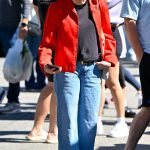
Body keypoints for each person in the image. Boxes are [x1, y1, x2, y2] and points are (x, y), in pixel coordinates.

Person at [38, 0, 118, 149]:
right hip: (67, 71)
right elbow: (46, 44)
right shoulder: (57, 7)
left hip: (93, 70)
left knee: (89, 122)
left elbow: (108, 35)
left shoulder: (99, 4)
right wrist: (46, 63)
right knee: (68, 122)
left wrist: (108, 59)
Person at [26, 0, 58, 144]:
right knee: (57, 86)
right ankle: (52, 131)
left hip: (47, 37)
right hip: (59, 41)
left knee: (51, 85)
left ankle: (37, 129)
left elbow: (35, 5)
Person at [97, 0, 130, 137]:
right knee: (98, 82)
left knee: (113, 82)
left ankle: (121, 121)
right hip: (93, 32)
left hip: (111, 31)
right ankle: (97, 120)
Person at [121, 0, 150, 149]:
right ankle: (129, 147)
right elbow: (129, 22)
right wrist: (141, 57)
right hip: (148, 55)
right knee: (148, 108)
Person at [0, 0, 31, 114]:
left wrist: (24, 22)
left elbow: (26, 2)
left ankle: (13, 101)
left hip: (11, 28)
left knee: (13, 65)